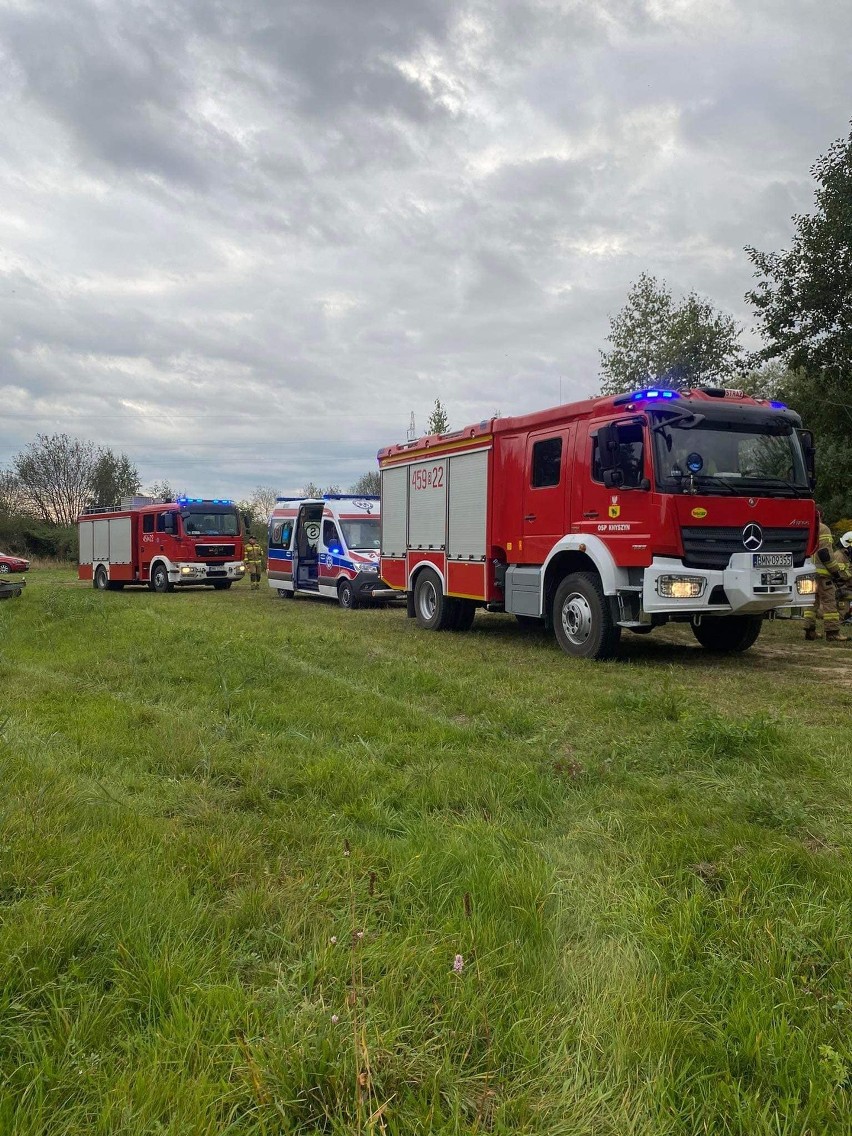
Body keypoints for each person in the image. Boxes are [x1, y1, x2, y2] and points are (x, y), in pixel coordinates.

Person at [803, 509, 849, 642]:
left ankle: (809, 631)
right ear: (821, 515)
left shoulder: (805, 526)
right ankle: (832, 633)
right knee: (829, 602)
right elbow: (825, 554)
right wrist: (835, 572)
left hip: (807, 572)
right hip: (822, 574)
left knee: (812, 601)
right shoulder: (823, 528)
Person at [837, 531, 852, 625]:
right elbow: (841, 575)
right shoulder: (839, 556)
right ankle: (845, 616)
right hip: (840, 588)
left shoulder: (846, 556)